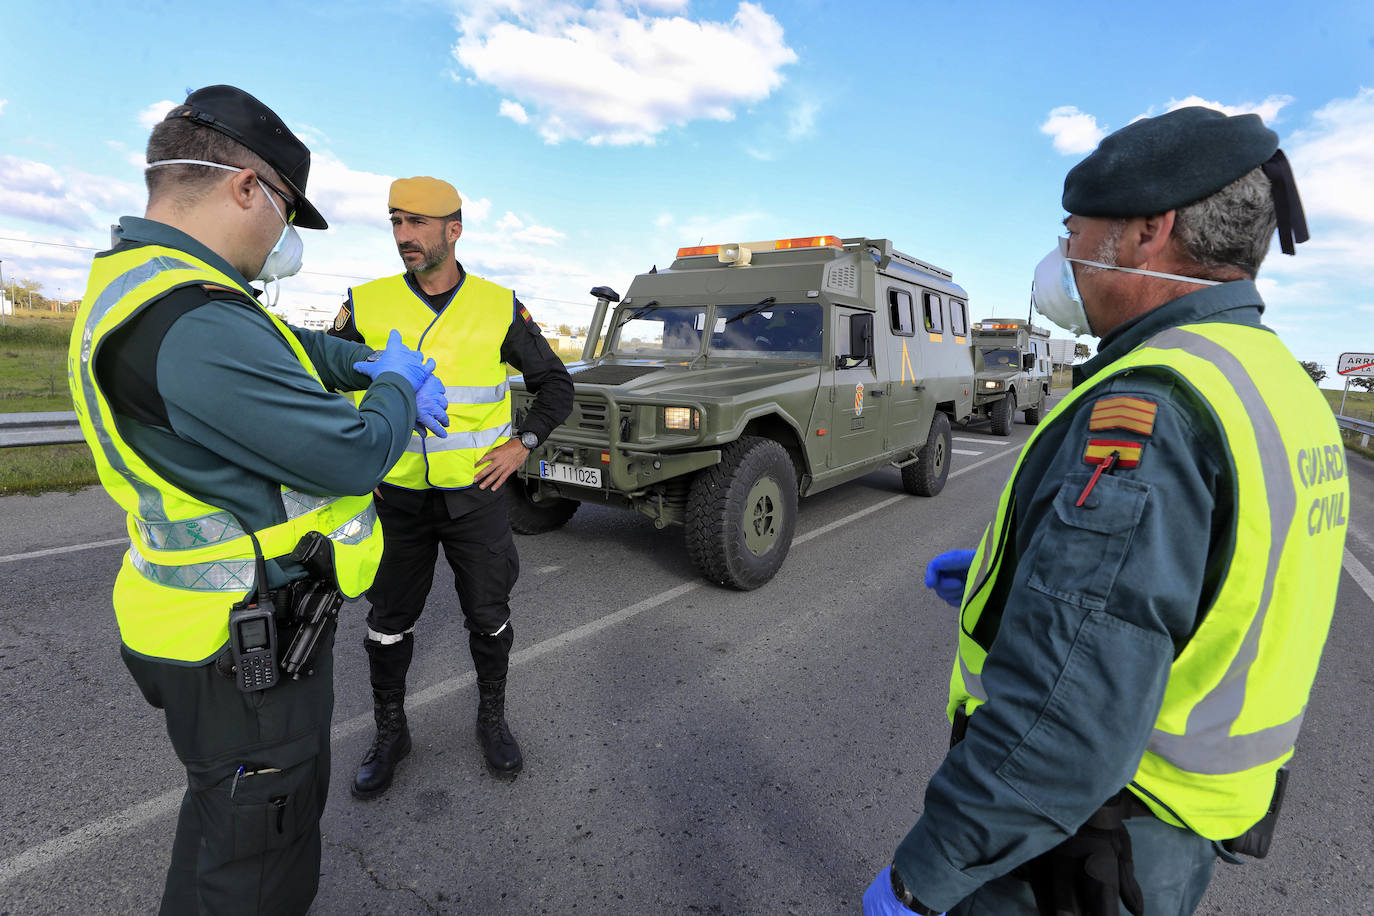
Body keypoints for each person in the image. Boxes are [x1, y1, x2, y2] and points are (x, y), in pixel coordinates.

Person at [863, 106, 1348, 916]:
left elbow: (1066, 718)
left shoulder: (1155, 404)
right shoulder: (1276, 383)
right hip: (1180, 828)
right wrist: (1022, 574)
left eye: (1074, 231)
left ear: (1149, 231)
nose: (1064, 255)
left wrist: (926, 875)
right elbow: (1212, 574)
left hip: (1082, 849)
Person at [67, 86, 447, 914]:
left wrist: (361, 362)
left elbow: (283, 348)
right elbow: (351, 454)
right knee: (258, 864)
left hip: (212, 630)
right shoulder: (192, 319)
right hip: (242, 647)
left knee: (226, 829)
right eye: (287, 213)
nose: (284, 238)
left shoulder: (161, 283)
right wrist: (394, 386)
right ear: (247, 189)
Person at [329, 176, 573, 795]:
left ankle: (492, 719)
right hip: (396, 498)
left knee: (488, 616)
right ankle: (391, 731)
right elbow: (324, 387)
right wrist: (358, 459)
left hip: (475, 497)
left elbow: (556, 384)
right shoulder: (366, 302)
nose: (403, 235)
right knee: (387, 621)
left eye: (416, 223)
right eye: (395, 222)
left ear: (454, 230)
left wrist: (523, 444)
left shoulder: (498, 305)